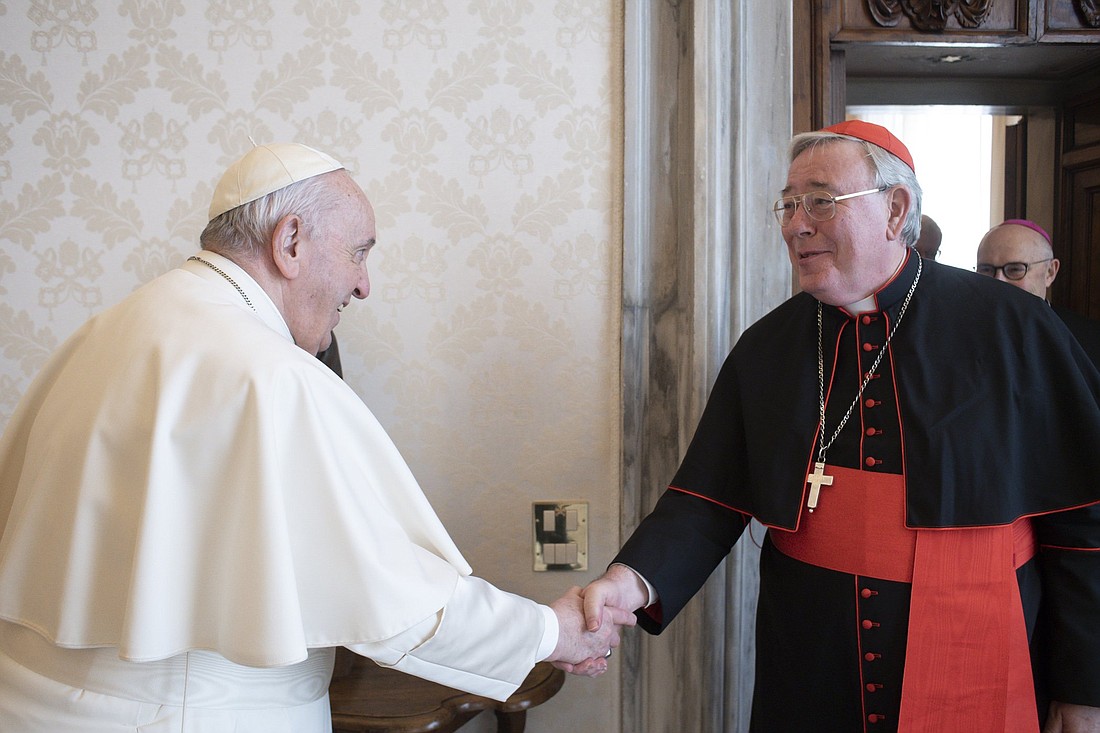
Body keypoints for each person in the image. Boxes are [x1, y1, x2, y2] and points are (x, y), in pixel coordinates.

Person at [0, 143, 632, 732]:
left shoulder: (105, 331)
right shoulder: (269, 374)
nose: (364, 284)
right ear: (291, 241)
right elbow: (394, 601)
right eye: (359, 251)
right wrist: (548, 632)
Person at [579, 121, 1100, 732]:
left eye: (822, 201)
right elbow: (706, 499)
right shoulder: (769, 345)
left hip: (982, 637)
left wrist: (1083, 688)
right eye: (789, 203)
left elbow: (1083, 524)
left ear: (895, 209)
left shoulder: (1015, 329)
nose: (795, 224)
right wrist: (629, 583)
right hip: (812, 657)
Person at [977, 218, 1100, 366]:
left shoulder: (1090, 340)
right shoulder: (961, 333)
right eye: (986, 269)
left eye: (1015, 269)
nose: (998, 281)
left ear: (1050, 272)